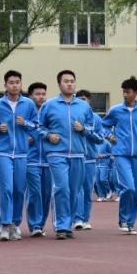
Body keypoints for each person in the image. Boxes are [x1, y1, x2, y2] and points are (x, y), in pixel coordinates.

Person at [38, 70, 99, 239]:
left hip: (78, 153)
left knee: (74, 190)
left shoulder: (84, 107)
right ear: (59, 84)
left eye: (72, 81)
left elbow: (92, 129)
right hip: (56, 152)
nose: (70, 84)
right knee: (61, 188)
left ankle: (68, 224)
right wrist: (48, 136)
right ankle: (61, 226)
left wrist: (83, 129)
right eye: (66, 81)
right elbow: (39, 127)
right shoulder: (49, 105)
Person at [101, 76, 137, 235]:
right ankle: (124, 218)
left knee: (136, 190)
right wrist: (109, 136)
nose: (125, 95)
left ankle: (131, 223)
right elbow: (104, 126)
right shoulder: (116, 110)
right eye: (123, 92)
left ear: (136, 93)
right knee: (128, 187)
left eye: (128, 92)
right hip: (121, 154)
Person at [0, 70, 39, 241]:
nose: (15, 85)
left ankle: (14, 224)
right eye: (11, 83)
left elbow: (36, 126)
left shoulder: (28, 104)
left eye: (17, 82)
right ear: (5, 85)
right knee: (6, 188)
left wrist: (25, 123)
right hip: (2, 152)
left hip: (21, 153)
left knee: (19, 189)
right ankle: (4, 224)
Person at [75, 89, 106, 229]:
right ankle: (77, 219)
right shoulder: (72, 116)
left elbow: (100, 139)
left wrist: (85, 131)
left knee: (87, 190)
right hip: (75, 157)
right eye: (78, 99)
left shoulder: (96, 119)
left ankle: (85, 219)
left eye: (84, 99)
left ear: (89, 101)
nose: (81, 102)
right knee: (76, 189)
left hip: (90, 159)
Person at [24, 82, 51, 237]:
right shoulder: (26, 113)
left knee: (46, 194)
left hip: (48, 160)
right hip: (31, 160)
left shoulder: (49, 113)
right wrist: (25, 139)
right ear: (30, 96)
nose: (41, 97)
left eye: (43, 94)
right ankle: (34, 225)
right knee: (35, 192)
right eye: (37, 94)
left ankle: (40, 224)